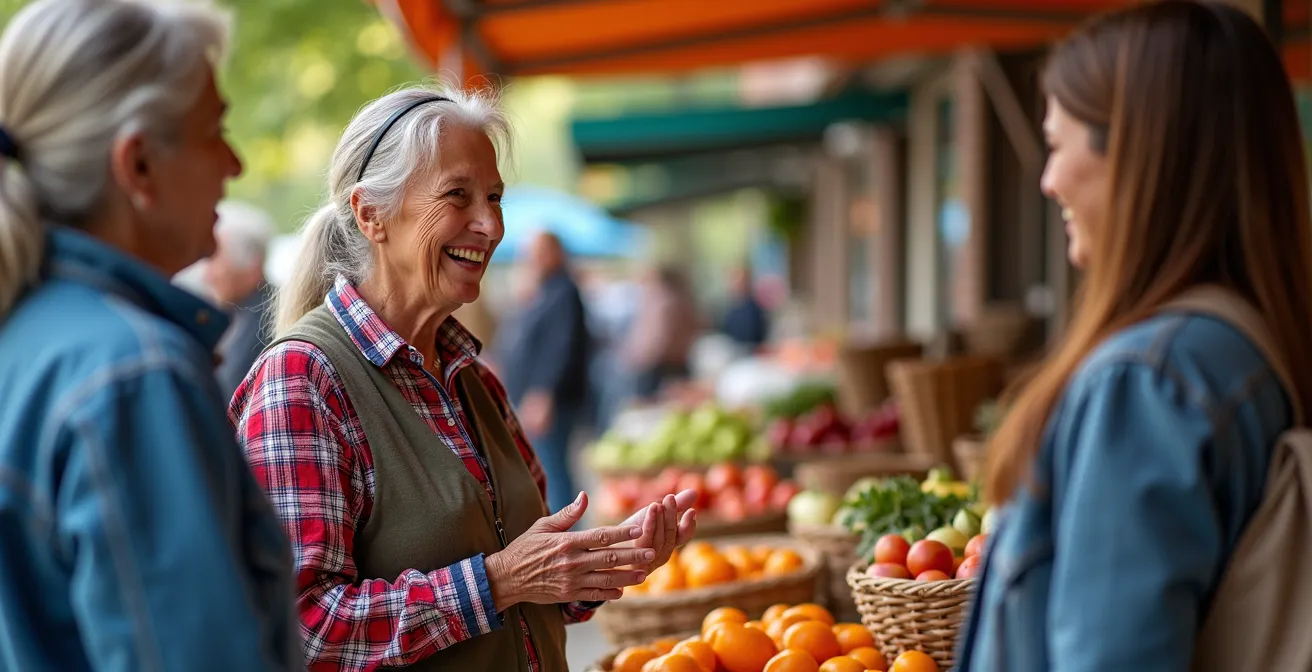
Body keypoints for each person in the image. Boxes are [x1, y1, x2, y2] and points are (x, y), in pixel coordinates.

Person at [230, 84, 696, 671]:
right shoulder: (301, 381)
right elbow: (302, 630)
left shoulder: (475, 379)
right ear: (371, 214)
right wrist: (496, 582)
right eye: (458, 195)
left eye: (495, 197)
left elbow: (534, 585)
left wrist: (601, 562)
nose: (491, 225)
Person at [956, 2, 1312, 670]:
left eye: (1058, 145)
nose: (1047, 180)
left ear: (1138, 152)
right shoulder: (1246, 352)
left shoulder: (1149, 381)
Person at [0, 1, 301, 670]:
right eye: (214, 130)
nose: (235, 163)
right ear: (137, 166)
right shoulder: (133, 376)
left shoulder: (30, 343)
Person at [493, 230, 592, 514]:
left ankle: (568, 537)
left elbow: (561, 348)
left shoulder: (563, 291)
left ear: (555, 253)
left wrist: (543, 393)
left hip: (550, 403)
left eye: (538, 252)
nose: (531, 259)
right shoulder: (543, 292)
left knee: (552, 472)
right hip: (535, 399)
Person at [204, 200, 277, 398]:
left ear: (252, 264)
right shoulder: (237, 312)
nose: (207, 276)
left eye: (215, 261)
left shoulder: (269, 320)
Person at [624, 264, 700, 399]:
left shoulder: (665, 302)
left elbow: (658, 337)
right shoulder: (683, 300)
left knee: (651, 402)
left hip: (659, 364)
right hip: (674, 361)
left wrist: (642, 355)